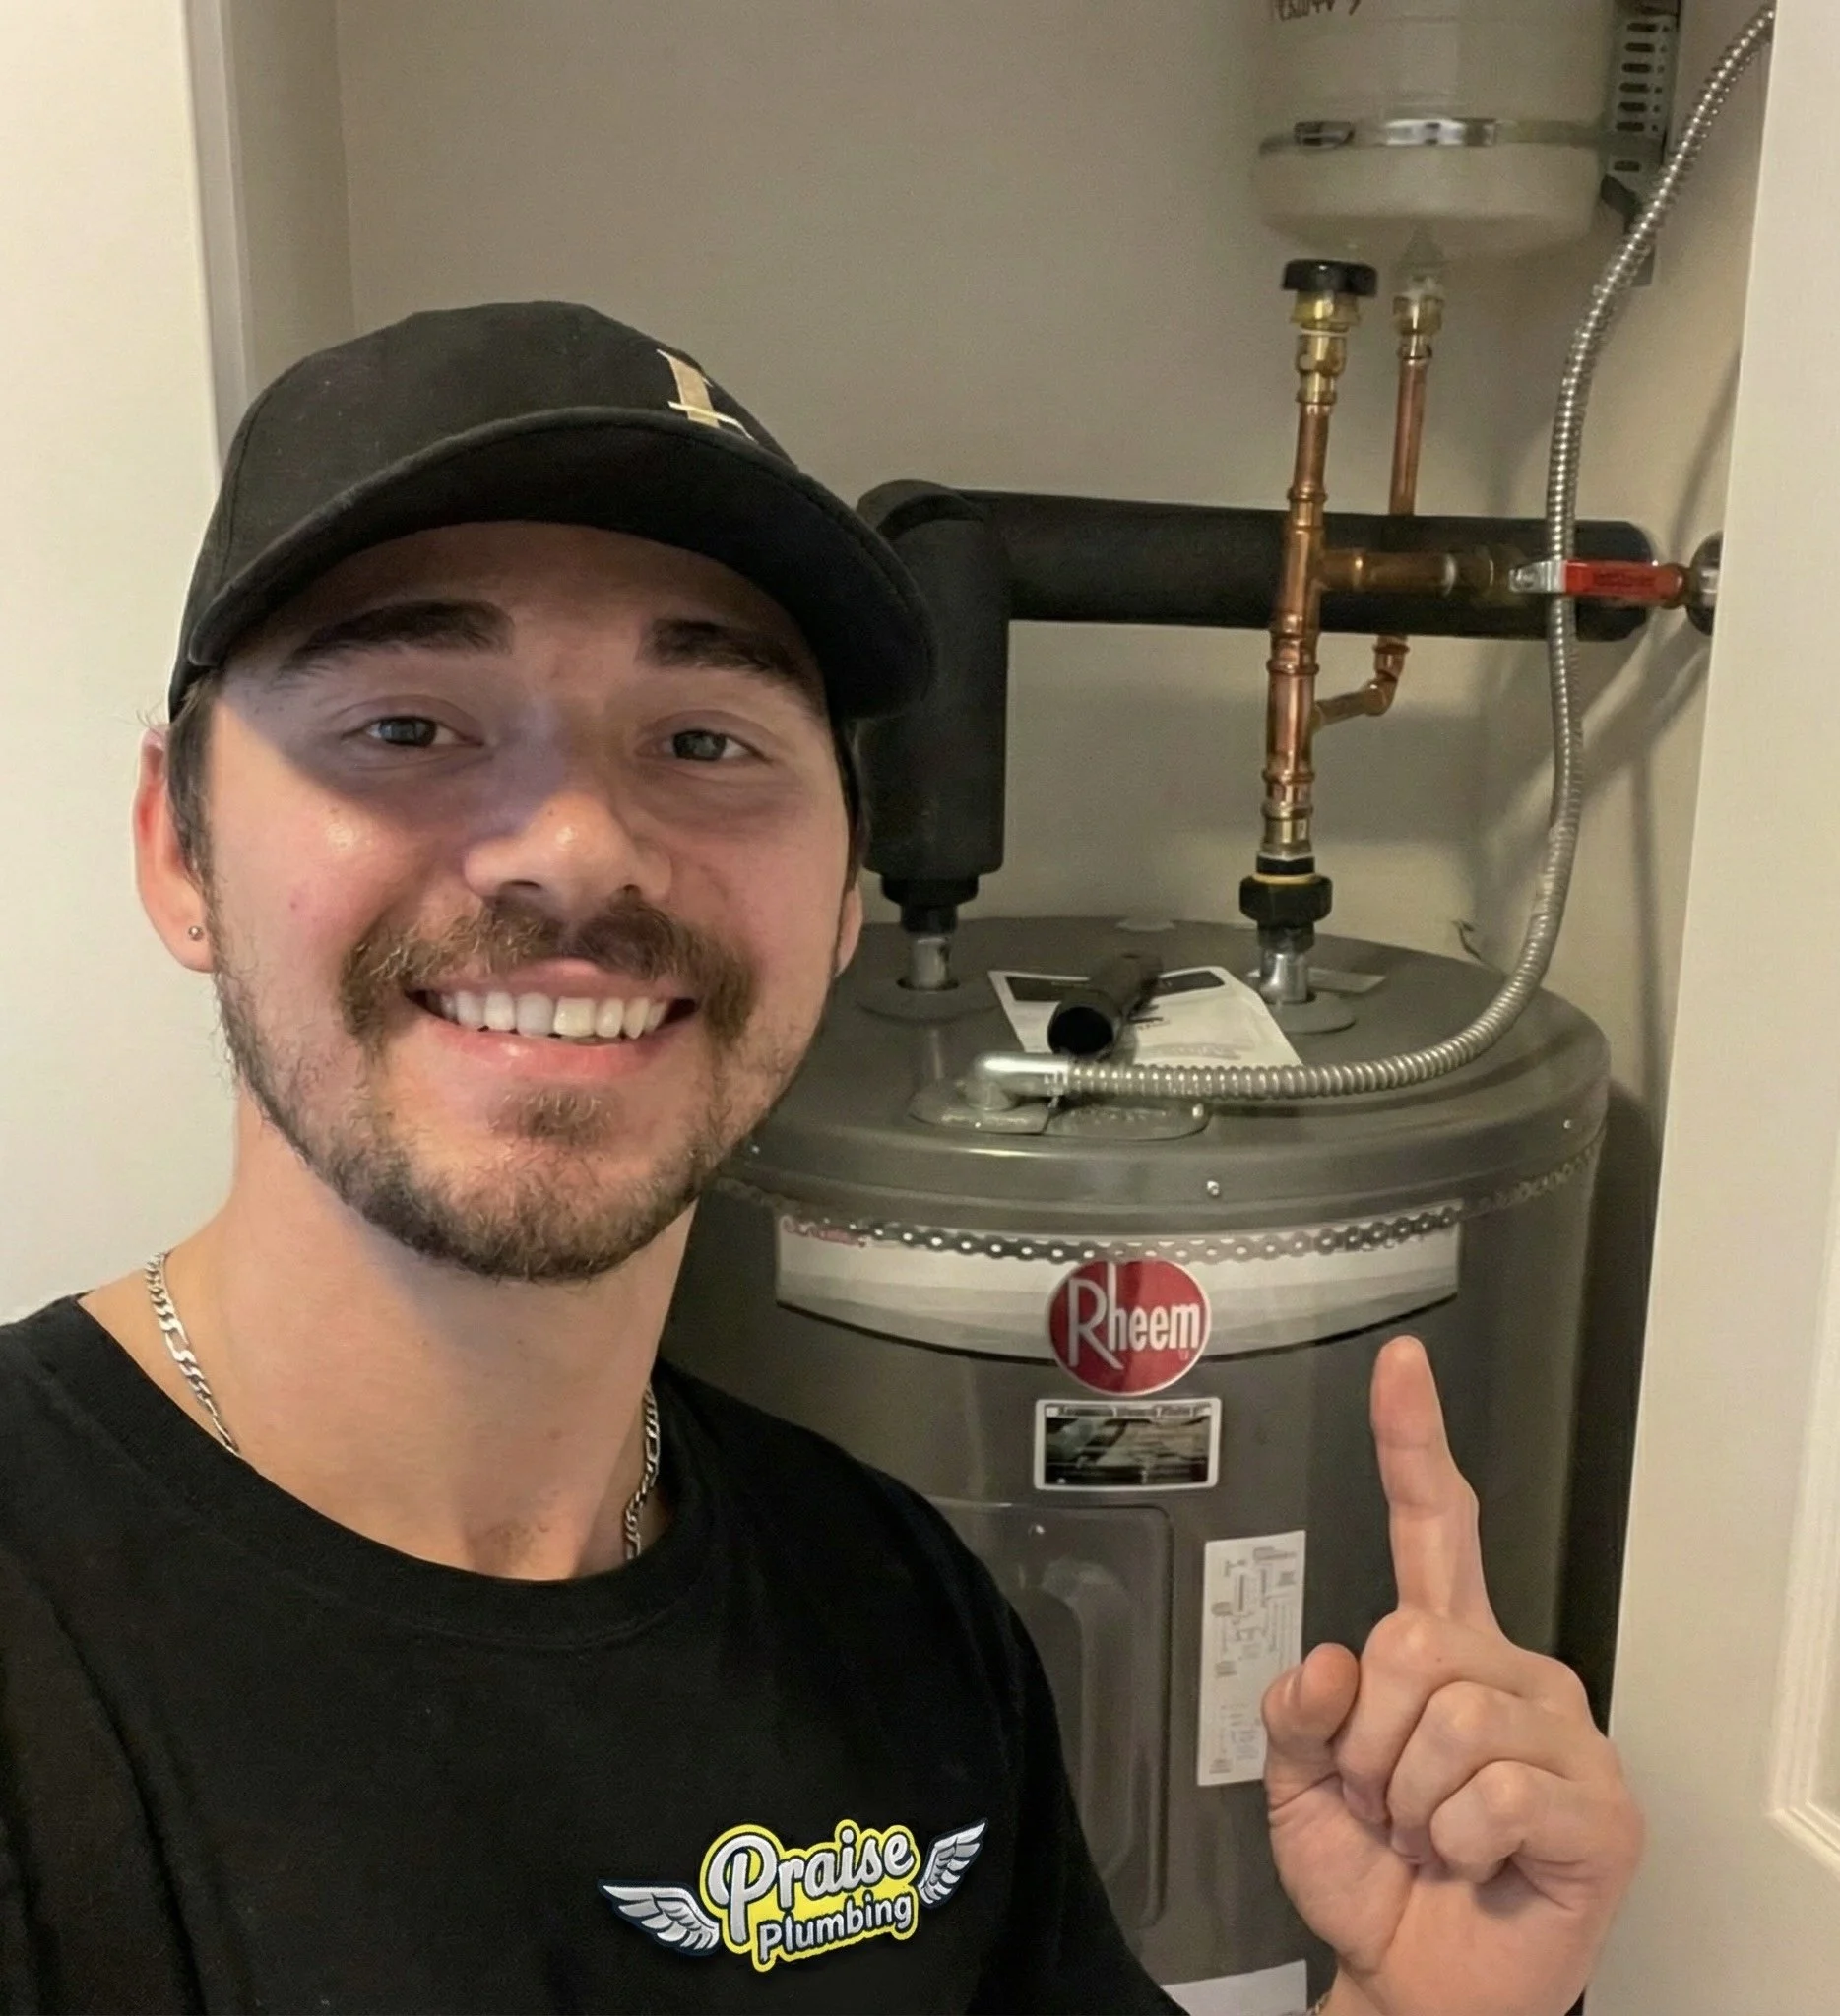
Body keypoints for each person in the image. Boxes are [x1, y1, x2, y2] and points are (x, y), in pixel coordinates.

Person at [0, 303, 1641, 2015]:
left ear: (843, 907)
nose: (573, 846)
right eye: (407, 725)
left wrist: (1422, 2004)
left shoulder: (895, 1608)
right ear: (173, 849)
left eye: (706, 741)